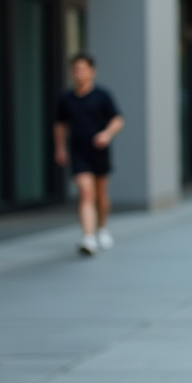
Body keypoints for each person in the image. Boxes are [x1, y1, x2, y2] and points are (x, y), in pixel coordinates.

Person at [54, 54, 124, 256]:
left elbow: (118, 119)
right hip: (78, 151)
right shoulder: (66, 98)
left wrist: (107, 134)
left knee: (101, 195)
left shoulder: (102, 96)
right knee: (86, 193)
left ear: (92, 71)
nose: (78, 73)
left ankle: (102, 229)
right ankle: (88, 237)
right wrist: (59, 148)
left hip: (99, 150)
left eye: (82, 69)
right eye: (75, 69)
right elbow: (60, 125)